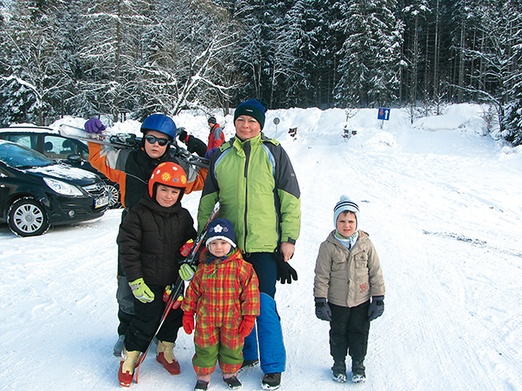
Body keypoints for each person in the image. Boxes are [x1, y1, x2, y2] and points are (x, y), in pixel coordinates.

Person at [197, 99, 301, 390]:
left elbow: (290, 199)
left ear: (260, 125)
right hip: (230, 249)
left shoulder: (274, 153)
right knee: (234, 306)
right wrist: (204, 238)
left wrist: (288, 239)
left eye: (252, 121)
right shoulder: (221, 155)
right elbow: (207, 203)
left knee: (264, 305)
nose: (246, 126)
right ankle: (246, 354)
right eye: (241, 120)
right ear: (234, 123)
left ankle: (273, 365)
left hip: (264, 245)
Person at [84, 114, 207, 357]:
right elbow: (99, 158)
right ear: (144, 138)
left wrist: (207, 157)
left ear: (169, 144)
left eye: (162, 142)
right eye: (151, 138)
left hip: (167, 229)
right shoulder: (128, 158)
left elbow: (201, 179)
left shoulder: (178, 165)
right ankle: (126, 331)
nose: (155, 145)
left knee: (164, 281)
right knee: (128, 280)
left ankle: (159, 332)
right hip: (133, 226)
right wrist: (94, 137)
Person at [116, 162, 197, 387]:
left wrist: (190, 263)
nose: (169, 196)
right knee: (146, 318)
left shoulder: (183, 217)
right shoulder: (138, 214)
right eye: (164, 190)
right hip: (147, 280)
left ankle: (165, 349)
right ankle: (130, 357)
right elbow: (127, 249)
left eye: (174, 192)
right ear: (153, 188)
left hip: (174, 281)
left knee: (173, 317)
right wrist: (134, 279)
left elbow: (191, 244)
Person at [313, 195, 385, 384]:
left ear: (357, 222)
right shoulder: (327, 247)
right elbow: (321, 275)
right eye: (342, 221)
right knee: (338, 333)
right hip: (337, 302)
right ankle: (338, 363)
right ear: (335, 221)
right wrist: (320, 301)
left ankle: (358, 364)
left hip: (361, 300)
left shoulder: (366, 244)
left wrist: (378, 298)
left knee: (359, 332)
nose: (347, 225)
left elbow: (376, 271)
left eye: (351, 221)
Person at [182, 218, 260, 391]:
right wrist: (188, 313)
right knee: (204, 347)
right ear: (208, 246)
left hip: (232, 318)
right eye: (214, 243)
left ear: (231, 244)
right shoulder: (203, 269)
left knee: (232, 347)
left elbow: (251, 294)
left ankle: (230, 373)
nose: (219, 247)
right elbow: (192, 292)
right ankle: (203, 376)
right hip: (206, 318)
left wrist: (249, 317)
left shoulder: (243, 268)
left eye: (223, 242)